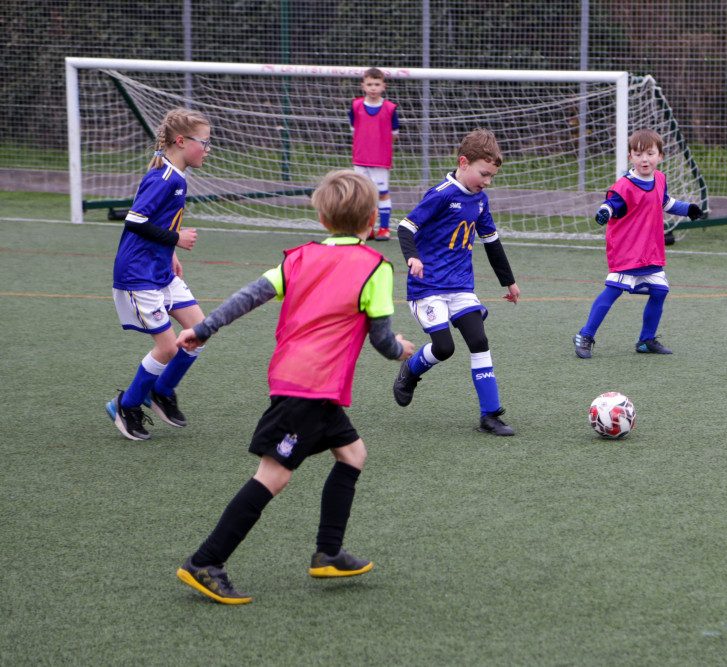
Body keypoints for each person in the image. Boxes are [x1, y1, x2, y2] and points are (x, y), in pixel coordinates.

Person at [175, 170, 415, 605]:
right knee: (272, 477)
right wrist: (401, 350)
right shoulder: (376, 268)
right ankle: (205, 562)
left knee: (353, 454)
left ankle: (328, 552)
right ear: (370, 222)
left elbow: (249, 295)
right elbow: (382, 341)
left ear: (322, 219)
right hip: (310, 387)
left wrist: (205, 328)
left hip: (301, 381)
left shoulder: (299, 257)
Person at [392, 128, 520, 436]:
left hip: (461, 287)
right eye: (483, 174)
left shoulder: (480, 201)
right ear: (463, 162)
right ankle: (410, 371)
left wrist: (509, 282)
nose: (487, 182)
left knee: (479, 341)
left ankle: (490, 415)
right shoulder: (441, 195)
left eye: (491, 176)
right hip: (427, 288)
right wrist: (413, 258)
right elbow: (405, 227)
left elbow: (492, 242)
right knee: (445, 348)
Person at [104, 108, 212, 440]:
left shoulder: (176, 175)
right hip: (138, 274)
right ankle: (127, 404)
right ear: (181, 141)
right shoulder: (163, 177)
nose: (208, 149)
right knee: (167, 348)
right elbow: (135, 220)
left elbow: (158, 219)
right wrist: (176, 239)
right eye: (204, 143)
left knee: (199, 332)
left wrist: (172, 251)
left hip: (160, 268)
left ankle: (160, 392)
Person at [573, 128, 703, 359]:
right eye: (639, 153)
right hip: (627, 251)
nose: (645, 159)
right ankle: (585, 335)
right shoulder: (625, 185)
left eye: (650, 153)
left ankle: (646, 340)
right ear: (630, 157)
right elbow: (612, 203)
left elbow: (665, 202)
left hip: (650, 251)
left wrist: (688, 209)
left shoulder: (660, 178)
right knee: (613, 291)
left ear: (660, 156)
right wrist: (604, 211)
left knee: (660, 291)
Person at [350, 67, 399, 242]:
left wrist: (381, 149)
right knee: (362, 194)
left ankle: (384, 229)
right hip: (360, 159)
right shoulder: (356, 106)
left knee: (382, 193)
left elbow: (394, 134)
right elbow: (354, 130)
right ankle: (367, 228)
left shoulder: (390, 109)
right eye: (369, 84)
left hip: (380, 160)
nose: (373, 88)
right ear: (363, 85)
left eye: (376, 84)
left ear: (383, 86)